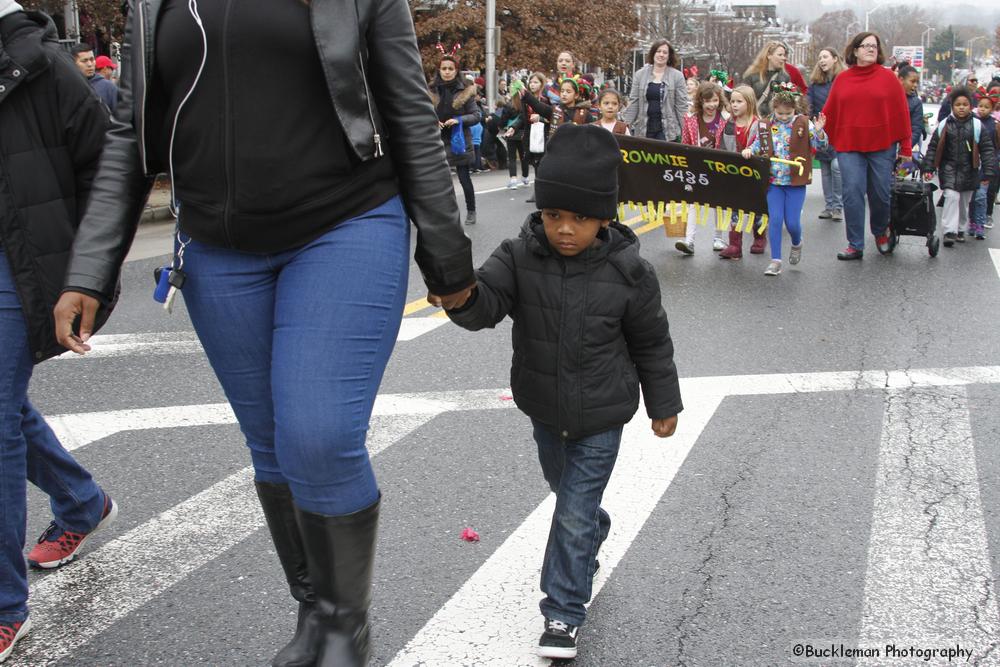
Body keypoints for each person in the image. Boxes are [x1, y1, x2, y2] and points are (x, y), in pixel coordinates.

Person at [52, 0, 476, 664]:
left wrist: (446, 255)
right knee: (274, 446)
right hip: (218, 251)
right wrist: (91, 266)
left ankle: (345, 631)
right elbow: (126, 134)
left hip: (345, 222)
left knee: (319, 435)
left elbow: (409, 115)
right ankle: (316, 611)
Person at [432, 124, 682, 661]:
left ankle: (563, 614)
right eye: (553, 216)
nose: (565, 229)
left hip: (602, 414)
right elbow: (485, 306)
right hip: (544, 408)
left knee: (570, 507)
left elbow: (653, 345)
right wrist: (458, 298)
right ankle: (594, 528)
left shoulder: (630, 272)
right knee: (567, 495)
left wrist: (664, 404)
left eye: (580, 218)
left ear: (605, 217)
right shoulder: (518, 256)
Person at [0, 5, 119, 663]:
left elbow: (108, 173)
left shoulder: (44, 67)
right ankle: (81, 500)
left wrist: (90, 276)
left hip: (18, 266)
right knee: (6, 408)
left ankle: (3, 606)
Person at [822, 32, 912, 260]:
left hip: (882, 145)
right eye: (866, 46)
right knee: (851, 192)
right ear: (855, 51)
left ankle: (881, 231)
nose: (871, 49)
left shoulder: (889, 78)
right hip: (849, 145)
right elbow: (829, 112)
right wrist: (815, 133)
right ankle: (855, 244)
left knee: (880, 194)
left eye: (875, 46)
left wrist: (906, 148)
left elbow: (902, 114)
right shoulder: (842, 79)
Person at [742, 84, 829, 276]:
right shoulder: (766, 124)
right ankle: (775, 260)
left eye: (787, 113)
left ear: (794, 109)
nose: (783, 117)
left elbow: (820, 144)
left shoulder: (803, 123)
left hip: (795, 181)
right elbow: (758, 144)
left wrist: (820, 132)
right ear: (774, 109)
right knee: (775, 219)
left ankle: (797, 243)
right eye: (780, 113)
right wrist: (749, 150)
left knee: (792, 223)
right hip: (774, 182)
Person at [922, 87, 996, 246]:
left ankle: (961, 229)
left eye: (965, 104)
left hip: (971, 170)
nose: (961, 107)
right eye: (957, 104)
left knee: (964, 202)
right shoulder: (944, 124)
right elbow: (933, 147)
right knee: (951, 197)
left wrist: (988, 172)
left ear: (970, 106)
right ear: (952, 106)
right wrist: (928, 167)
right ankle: (949, 231)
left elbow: (987, 149)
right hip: (948, 169)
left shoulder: (977, 125)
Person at [676, 82, 728, 254]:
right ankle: (689, 240)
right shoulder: (691, 120)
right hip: (697, 165)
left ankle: (718, 238)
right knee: (693, 203)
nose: (711, 105)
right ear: (701, 102)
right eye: (707, 101)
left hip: (718, 166)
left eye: (714, 100)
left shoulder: (725, 119)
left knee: (718, 202)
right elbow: (685, 143)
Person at [432, 55, 481, 225]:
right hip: (436, 141)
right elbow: (421, 113)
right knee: (438, 181)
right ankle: (443, 214)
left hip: (458, 139)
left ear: (456, 70)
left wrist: (459, 120)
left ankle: (471, 211)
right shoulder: (431, 89)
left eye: (450, 69)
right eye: (444, 68)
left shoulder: (465, 89)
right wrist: (432, 120)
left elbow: (476, 116)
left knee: (463, 178)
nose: (447, 72)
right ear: (439, 70)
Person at [718, 85, 764, 259]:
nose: (734, 105)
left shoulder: (758, 124)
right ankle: (734, 244)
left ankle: (759, 236)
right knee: (735, 209)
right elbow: (721, 146)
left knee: (756, 208)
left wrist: (752, 151)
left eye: (739, 101)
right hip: (734, 172)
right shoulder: (728, 124)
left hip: (753, 173)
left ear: (750, 102)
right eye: (732, 101)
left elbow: (763, 147)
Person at [622, 39, 688, 141]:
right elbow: (634, 102)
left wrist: (686, 131)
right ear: (653, 53)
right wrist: (624, 127)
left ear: (669, 56)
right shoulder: (640, 74)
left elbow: (681, 106)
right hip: (644, 129)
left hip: (668, 130)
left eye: (665, 52)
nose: (661, 55)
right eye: (658, 51)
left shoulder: (677, 76)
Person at [808, 47, 844, 221]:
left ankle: (838, 206)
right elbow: (810, 107)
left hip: (841, 131)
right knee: (825, 171)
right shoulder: (815, 84)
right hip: (821, 131)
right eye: (820, 57)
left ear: (835, 59)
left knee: (837, 168)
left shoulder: (844, 80)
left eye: (825, 57)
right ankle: (829, 206)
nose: (822, 60)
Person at [968, 88, 998, 240]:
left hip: (985, 165)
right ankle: (972, 222)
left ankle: (980, 224)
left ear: (992, 109)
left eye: (986, 107)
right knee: (971, 197)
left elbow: (996, 147)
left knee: (981, 197)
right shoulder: (971, 121)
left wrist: (992, 166)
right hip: (971, 164)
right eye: (981, 106)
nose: (983, 109)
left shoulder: (995, 125)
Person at [743, 41, 791, 117]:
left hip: (776, 121)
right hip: (755, 119)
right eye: (780, 55)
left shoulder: (785, 77)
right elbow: (743, 99)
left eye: (784, 55)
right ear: (769, 55)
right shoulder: (752, 76)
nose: (784, 58)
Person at [71, 43, 117, 111]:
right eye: (84, 61)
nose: (90, 64)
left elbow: (119, 117)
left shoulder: (108, 87)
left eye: (92, 59)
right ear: (73, 63)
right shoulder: (68, 87)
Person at [898, 64, 925, 155]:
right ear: (901, 80)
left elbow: (916, 129)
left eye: (917, 82)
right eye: (912, 81)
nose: (915, 85)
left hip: (906, 152)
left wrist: (905, 149)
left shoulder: (916, 103)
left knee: (905, 169)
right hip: (885, 152)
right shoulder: (888, 98)